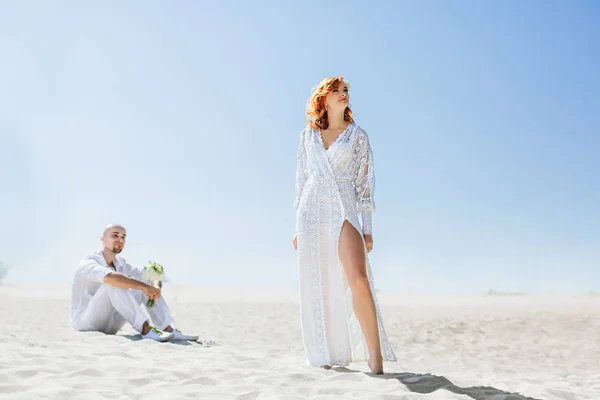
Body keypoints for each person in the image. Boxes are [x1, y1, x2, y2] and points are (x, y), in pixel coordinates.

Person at [293, 77, 397, 374]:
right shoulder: (307, 136)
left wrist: (367, 228)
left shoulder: (358, 136)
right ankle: (326, 354)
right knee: (319, 283)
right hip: (311, 211)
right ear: (323, 99)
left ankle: (375, 359)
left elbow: (365, 186)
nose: (343, 95)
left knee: (359, 280)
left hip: (345, 207)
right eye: (336, 91)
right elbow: (301, 182)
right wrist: (297, 227)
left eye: (346, 91)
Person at [70, 224, 199, 342]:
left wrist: (155, 285)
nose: (120, 240)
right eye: (115, 235)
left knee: (145, 279)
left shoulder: (120, 263)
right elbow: (110, 277)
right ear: (103, 238)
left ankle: (168, 329)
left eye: (123, 237)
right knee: (115, 281)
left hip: (111, 324)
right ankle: (146, 329)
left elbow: (146, 274)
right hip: (86, 322)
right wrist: (144, 287)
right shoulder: (89, 262)